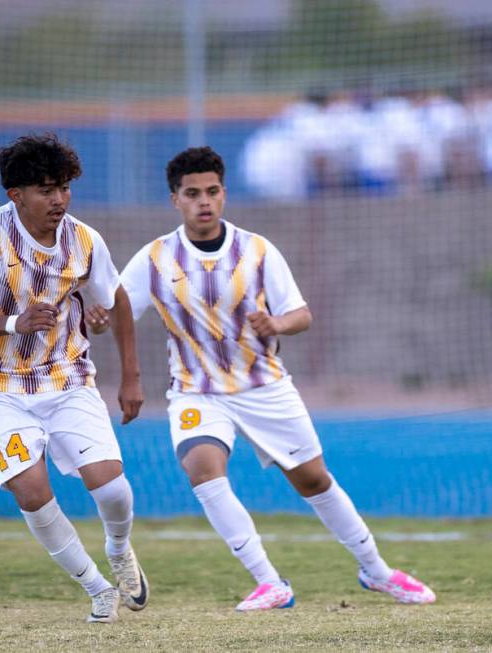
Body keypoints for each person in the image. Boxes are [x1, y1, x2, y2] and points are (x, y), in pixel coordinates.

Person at [88, 146, 435, 612]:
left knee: (314, 480)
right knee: (202, 470)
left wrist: (276, 324)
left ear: (224, 193)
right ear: (176, 200)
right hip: (197, 390)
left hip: (265, 386)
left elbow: (301, 314)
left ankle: (377, 571)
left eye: (212, 191)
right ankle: (270, 582)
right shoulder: (154, 259)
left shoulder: (256, 250)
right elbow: (116, 308)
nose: (204, 202)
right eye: (192, 194)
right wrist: (100, 322)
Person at [0, 133, 149, 623]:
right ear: (15, 194)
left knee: (111, 489)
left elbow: (116, 299)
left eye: (63, 187)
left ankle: (120, 550)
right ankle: (98, 588)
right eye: (45, 189)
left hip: (67, 377)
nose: (58, 199)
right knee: (30, 490)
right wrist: (17, 321)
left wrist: (131, 378)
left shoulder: (84, 239)